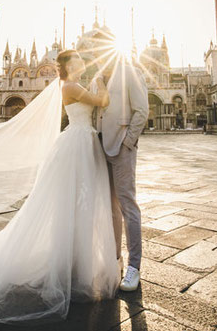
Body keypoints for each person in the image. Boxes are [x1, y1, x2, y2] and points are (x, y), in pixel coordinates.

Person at [0, 50, 121, 326]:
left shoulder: (71, 85)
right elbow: (101, 101)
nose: (82, 62)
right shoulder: (69, 86)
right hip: (78, 144)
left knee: (79, 203)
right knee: (74, 202)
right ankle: (71, 264)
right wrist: (102, 81)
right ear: (68, 66)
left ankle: (75, 261)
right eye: (77, 60)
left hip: (80, 143)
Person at [93, 56, 148, 292]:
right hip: (100, 147)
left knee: (128, 206)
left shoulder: (130, 72)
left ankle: (134, 266)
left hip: (121, 147)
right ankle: (115, 259)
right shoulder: (97, 77)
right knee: (110, 206)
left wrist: (128, 141)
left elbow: (142, 110)